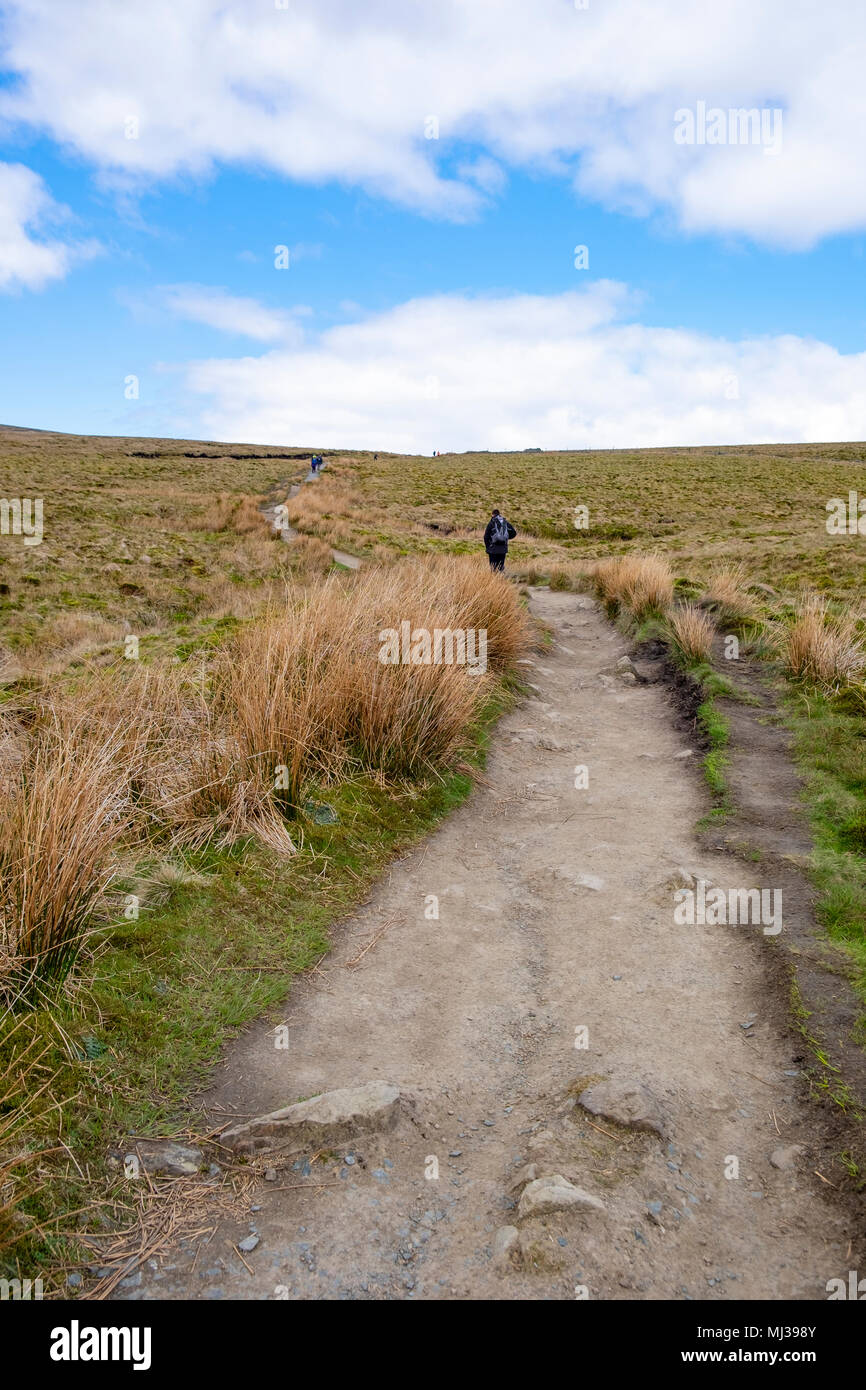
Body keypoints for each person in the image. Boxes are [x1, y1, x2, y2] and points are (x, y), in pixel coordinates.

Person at [484, 508, 516, 572]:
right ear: (499, 514)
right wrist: (505, 538)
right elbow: (514, 533)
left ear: (492, 514)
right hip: (503, 549)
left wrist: (488, 547)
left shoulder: (491, 523)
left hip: (493, 549)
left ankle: (494, 581)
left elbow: (486, 537)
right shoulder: (505, 522)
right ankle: (501, 579)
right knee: (500, 567)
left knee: (493, 568)